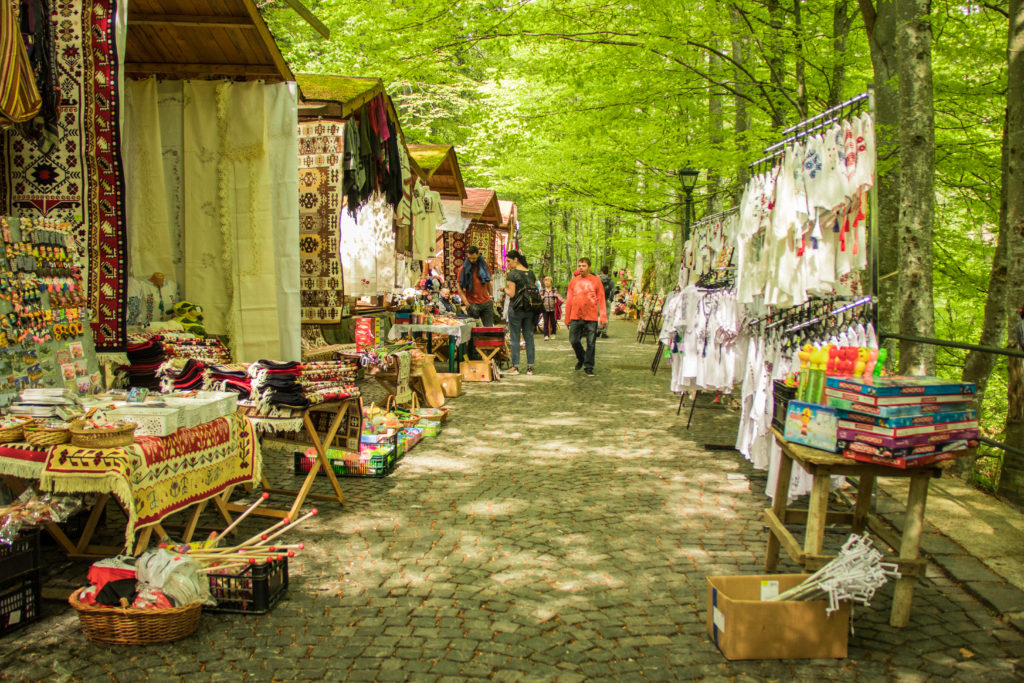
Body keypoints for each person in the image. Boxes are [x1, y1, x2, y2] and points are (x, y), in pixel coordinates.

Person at [564, 257, 606, 376]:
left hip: (590, 316)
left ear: (589, 267)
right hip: (575, 315)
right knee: (573, 340)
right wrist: (567, 318)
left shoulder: (596, 280)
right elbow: (569, 300)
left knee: (591, 342)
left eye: (583, 266)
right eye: (579, 266)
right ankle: (582, 358)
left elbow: (601, 299)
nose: (581, 268)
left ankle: (589, 366)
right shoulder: (574, 281)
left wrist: (603, 317)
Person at [503, 249, 538, 376]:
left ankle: (515, 367)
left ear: (515, 259)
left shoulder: (513, 274)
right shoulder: (531, 273)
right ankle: (530, 367)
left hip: (516, 308)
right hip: (530, 309)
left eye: (509, 261)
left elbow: (511, 293)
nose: (508, 264)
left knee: (515, 337)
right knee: (529, 337)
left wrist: (504, 289)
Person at [457, 246, 494, 326]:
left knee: (489, 330)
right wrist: (466, 303)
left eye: (473, 258)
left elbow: (488, 281)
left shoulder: (484, 266)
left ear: (478, 255)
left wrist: (491, 295)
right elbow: (459, 287)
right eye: (469, 258)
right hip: (472, 303)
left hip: (486, 302)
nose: (471, 260)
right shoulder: (463, 269)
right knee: (472, 330)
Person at [598, 265, 615, 338]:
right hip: (606, 299)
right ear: (608, 272)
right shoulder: (611, 281)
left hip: (598, 300)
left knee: (598, 315)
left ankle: (598, 330)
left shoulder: (597, 279)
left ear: (601, 271)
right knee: (606, 316)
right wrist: (610, 299)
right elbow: (613, 291)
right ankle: (604, 332)